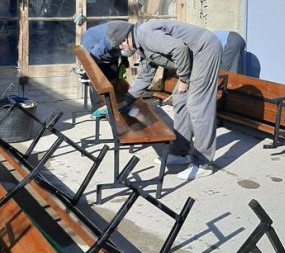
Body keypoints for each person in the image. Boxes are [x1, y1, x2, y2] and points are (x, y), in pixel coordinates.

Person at [83, 20, 222, 180]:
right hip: (193, 58)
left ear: (126, 39)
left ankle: (203, 163)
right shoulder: (141, 48)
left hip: (204, 51)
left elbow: (180, 49)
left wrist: (183, 79)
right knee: (180, 101)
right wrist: (126, 101)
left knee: (198, 105)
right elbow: (145, 77)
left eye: (121, 46)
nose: (121, 50)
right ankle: (180, 153)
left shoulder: (145, 34)